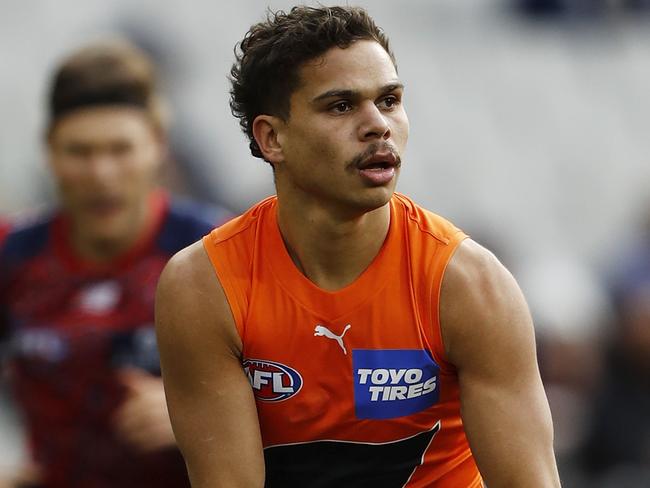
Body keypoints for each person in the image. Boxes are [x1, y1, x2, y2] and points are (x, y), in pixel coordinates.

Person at [156, 6, 561, 487]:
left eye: (389, 100)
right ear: (272, 137)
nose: (378, 125)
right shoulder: (204, 287)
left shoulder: (468, 284)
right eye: (341, 106)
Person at [0, 38, 231, 488]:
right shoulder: (14, 255)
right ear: (50, 152)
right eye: (80, 152)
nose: (101, 174)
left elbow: (304, 400)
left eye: (120, 150)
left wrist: (198, 416)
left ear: (157, 147)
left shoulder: (218, 252)